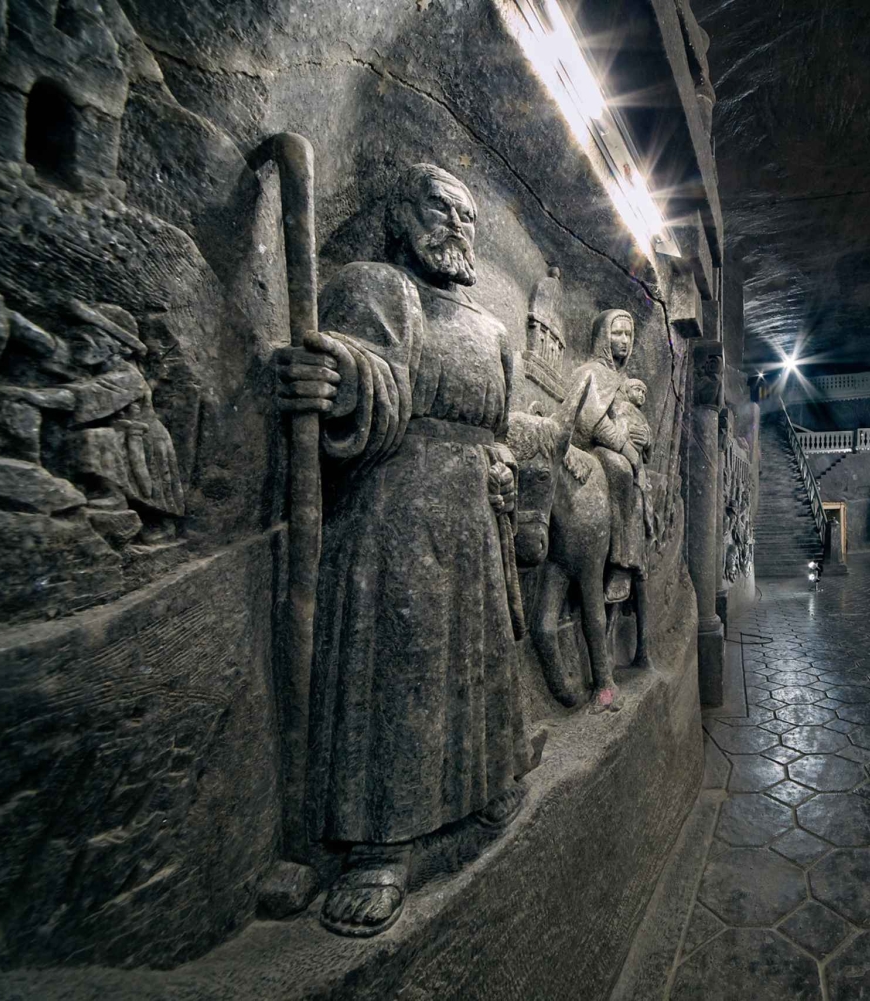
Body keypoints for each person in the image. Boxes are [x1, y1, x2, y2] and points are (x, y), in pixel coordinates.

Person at [274, 163, 529, 938]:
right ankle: (381, 844)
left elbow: (499, 427)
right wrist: (338, 379)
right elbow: (368, 368)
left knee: (480, 656)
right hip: (394, 514)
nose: (455, 224)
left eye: (467, 214)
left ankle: (488, 779)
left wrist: (504, 462)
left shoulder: (490, 330)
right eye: (438, 207)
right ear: (401, 216)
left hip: (474, 516)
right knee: (404, 665)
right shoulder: (379, 287)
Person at [568, 310, 651, 666]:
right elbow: (591, 421)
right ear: (603, 336)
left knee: (628, 472)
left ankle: (629, 558)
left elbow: (637, 424)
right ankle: (619, 560)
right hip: (599, 450)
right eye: (617, 333)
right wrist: (629, 450)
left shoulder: (624, 382)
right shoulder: (590, 373)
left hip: (629, 453)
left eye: (629, 335)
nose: (624, 341)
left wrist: (645, 439)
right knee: (618, 469)